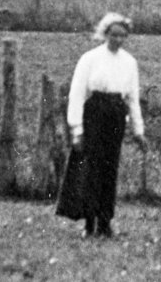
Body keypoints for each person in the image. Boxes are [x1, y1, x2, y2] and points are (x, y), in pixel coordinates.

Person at [58, 12, 148, 238]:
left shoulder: (130, 62)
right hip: (95, 113)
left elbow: (133, 99)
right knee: (91, 169)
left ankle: (106, 222)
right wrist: (76, 130)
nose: (118, 40)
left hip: (116, 116)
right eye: (114, 35)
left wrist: (138, 131)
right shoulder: (90, 59)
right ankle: (89, 223)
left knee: (110, 168)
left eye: (123, 36)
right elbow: (77, 94)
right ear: (105, 33)